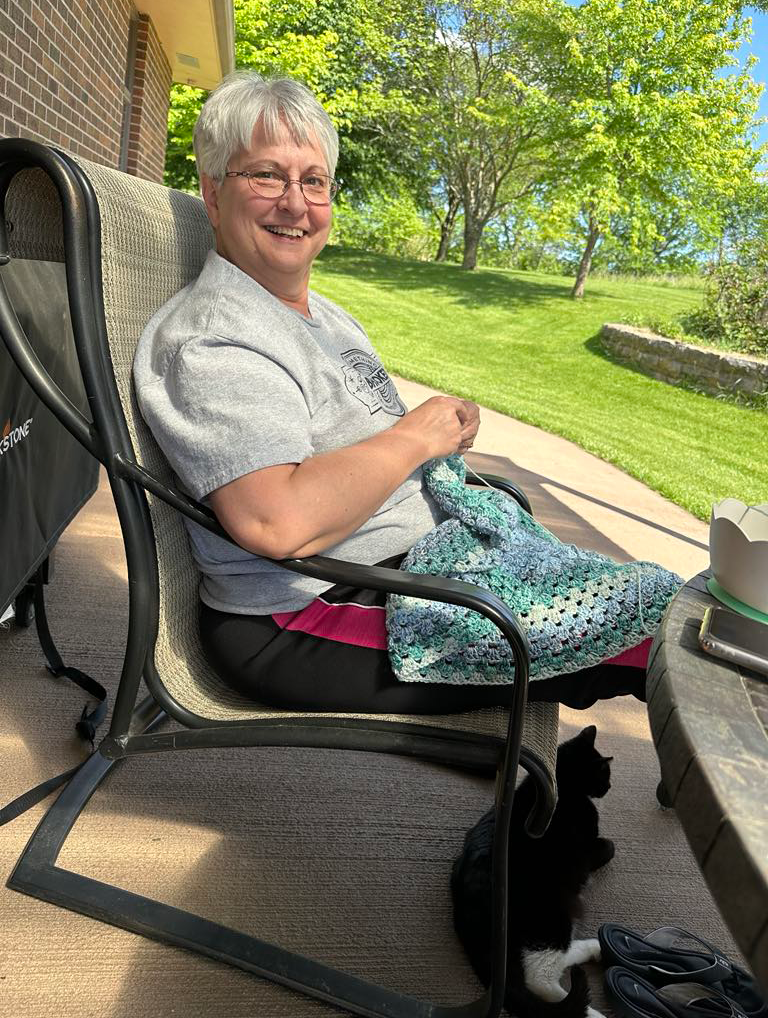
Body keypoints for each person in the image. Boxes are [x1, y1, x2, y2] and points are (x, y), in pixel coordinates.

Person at [133, 71, 651, 713]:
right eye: (266, 175)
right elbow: (276, 521)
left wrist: (440, 436)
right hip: (310, 613)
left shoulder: (319, 314)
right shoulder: (214, 340)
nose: (296, 204)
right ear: (212, 192)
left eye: (313, 181)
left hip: (416, 565)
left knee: (665, 603)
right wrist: (415, 436)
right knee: (661, 629)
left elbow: (357, 445)